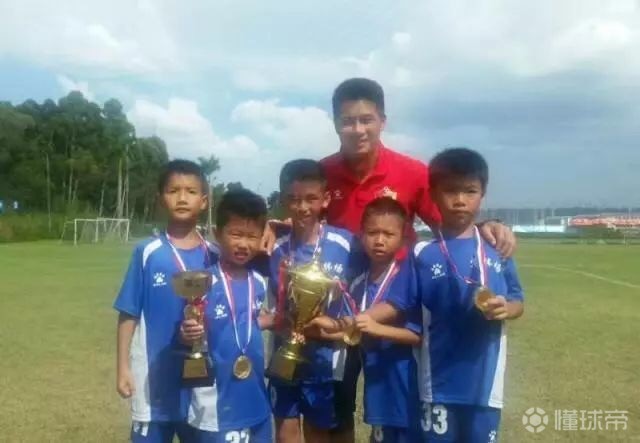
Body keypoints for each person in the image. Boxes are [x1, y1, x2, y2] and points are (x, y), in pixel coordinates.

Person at [371, 148, 525, 442]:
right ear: (433, 194)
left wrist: (508, 308)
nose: (460, 200)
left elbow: (518, 300)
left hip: (486, 386)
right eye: (450, 191)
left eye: (470, 191)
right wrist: (360, 320)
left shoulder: (497, 248)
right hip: (436, 383)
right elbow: (398, 302)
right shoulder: (421, 253)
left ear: (482, 193)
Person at [113, 159, 217, 443]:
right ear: (161, 199)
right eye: (173, 191)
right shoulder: (147, 252)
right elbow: (128, 313)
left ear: (204, 201)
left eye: (191, 191)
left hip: (202, 386)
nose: (182, 198)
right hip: (154, 380)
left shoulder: (216, 255)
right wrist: (122, 367)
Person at [310, 196, 423, 443]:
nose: (379, 240)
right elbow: (353, 329)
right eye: (372, 233)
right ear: (361, 236)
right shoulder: (357, 283)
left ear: (403, 238)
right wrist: (318, 326)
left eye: (388, 234)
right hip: (378, 386)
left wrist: (377, 329)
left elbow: (418, 336)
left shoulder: (407, 277)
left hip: (406, 387)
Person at [268, 159, 362, 443]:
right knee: (285, 433)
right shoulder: (275, 249)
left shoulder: (347, 244)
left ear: (326, 199)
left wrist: (339, 328)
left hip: (326, 359)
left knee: (318, 432)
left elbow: (359, 298)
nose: (302, 207)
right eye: (294, 199)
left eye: (311, 198)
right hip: (285, 353)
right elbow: (273, 304)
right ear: (284, 201)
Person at [180, 189, 274, 442]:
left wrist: (270, 321)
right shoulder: (202, 282)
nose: (244, 244)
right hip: (217, 404)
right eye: (236, 234)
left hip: (255, 398)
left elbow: (245, 323)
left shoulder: (259, 282)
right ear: (217, 233)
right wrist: (187, 333)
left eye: (252, 236)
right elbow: (189, 332)